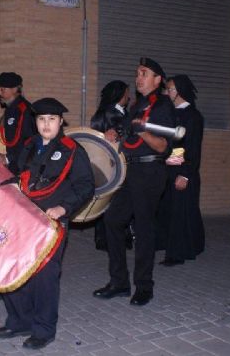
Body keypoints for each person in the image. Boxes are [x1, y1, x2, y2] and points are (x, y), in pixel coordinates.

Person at [0, 98, 94, 350]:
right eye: (41, 119)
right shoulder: (29, 145)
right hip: (22, 218)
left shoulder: (72, 150)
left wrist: (64, 208)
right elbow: (17, 175)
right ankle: (19, 321)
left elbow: (85, 186)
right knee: (13, 269)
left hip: (51, 223)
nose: (46, 124)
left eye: (51, 119)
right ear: (35, 122)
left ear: (60, 122)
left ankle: (43, 329)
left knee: (44, 277)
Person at [93, 57, 174, 306]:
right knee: (113, 220)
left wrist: (144, 132)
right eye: (137, 73)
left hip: (151, 172)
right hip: (131, 171)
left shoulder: (163, 106)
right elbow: (126, 137)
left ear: (157, 79)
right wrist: (113, 135)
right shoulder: (136, 106)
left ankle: (144, 286)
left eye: (144, 73)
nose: (138, 77)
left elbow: (164, 147)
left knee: (144, 229)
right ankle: (119, 283)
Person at [156, 75, 205, 266]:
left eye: (170, 89)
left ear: (180, 92)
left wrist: (185, 173)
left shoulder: (193, 116)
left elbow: (193, 148)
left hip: (182, 171)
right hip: (166, 170)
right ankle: (165, 243)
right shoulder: (169, 113)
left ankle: (177, 253)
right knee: (166, 210)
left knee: (180, 213)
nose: (167, 93)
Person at [89, 80, 134, 251]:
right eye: (127, 93)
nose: (129, 96)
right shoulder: (111, 114)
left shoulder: (112, 112)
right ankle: (111, 240)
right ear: (120, 95)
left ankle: (110, 239)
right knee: (113, 203)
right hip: (113, 165)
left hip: (113, 165)